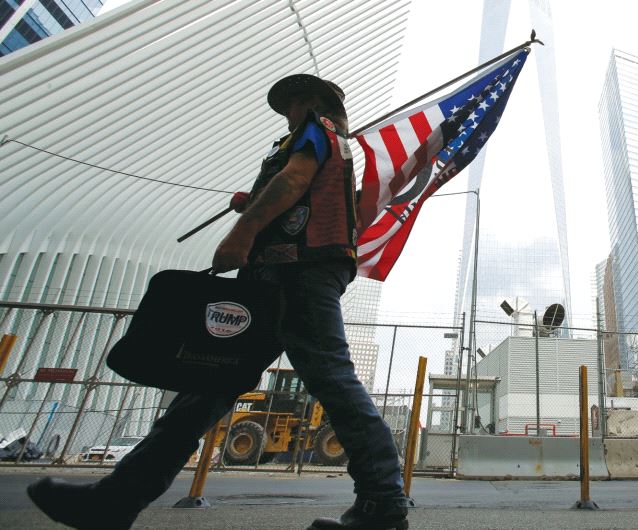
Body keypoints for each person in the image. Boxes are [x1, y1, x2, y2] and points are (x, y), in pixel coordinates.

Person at [26, 75, 411, 530]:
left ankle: (382, 506)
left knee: (331, 383)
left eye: (290, 104)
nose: (286, 113)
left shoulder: (314, 129)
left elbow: (294, 179)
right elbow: (305, 194)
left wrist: (243, 231)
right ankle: (114, 501)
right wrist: (253, 203)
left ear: (308, 102)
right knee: (208, 386)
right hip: (287, 273)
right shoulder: (333, 142)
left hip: (293, 274)